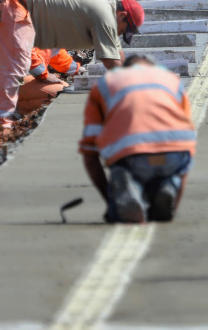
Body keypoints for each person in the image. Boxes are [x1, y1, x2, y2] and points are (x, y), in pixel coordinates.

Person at [0, 0, 145, 132]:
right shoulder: (104, 15)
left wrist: (77, 70)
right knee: (15, 69)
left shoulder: (105, 9)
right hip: (18, 3)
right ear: (122, 16)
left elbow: (116, 54)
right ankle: (0, 127)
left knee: (3, 67)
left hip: (16, 1)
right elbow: (111, 62)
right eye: (124, 30)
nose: (120, 34)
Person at [78, 55, 196, 223]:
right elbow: (187, 140)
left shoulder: (106, 83)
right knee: (173, 170)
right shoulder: (171, 80)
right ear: (152, 67)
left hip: (131, 156)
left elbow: (89, 150)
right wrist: (173, 210)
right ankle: (169, 185)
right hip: (175, 155)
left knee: (127, 172)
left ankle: (127, 188)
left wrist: (111, 201)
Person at [15, 0, 85, 115]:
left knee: (65, 92)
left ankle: (17, 112)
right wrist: (44, 75)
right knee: (62, 94)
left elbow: (54, 51)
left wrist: (77, 70)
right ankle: (11, 111)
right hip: (16, 79)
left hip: (29, 78)